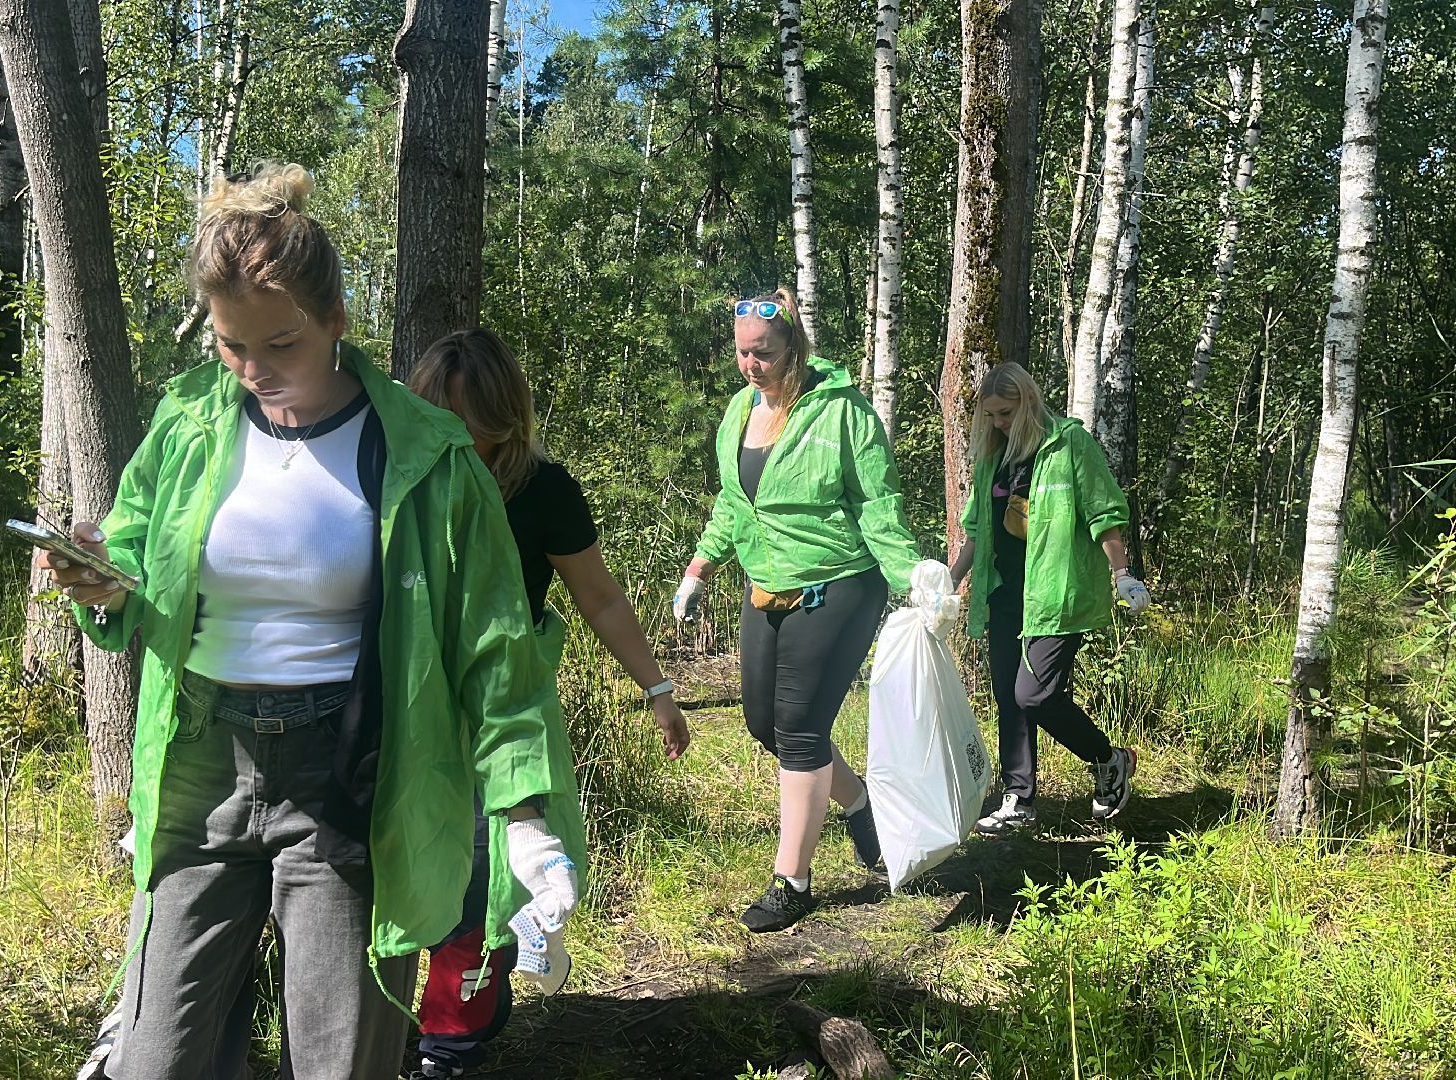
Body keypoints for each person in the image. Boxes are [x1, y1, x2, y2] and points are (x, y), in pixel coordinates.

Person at [33, 162, 582, 1080]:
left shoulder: (427, 453)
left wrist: (524, 815)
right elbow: (131, 562)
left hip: (353, 781)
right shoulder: (187, 424)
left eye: (279, 344)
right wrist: (100, 579)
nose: (253, 371)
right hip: (201, 766)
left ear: (336, 321)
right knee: (154, 1059)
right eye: (229, 346)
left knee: (341, 1059)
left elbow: (492, 646)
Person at [402, 328, 690, 1078]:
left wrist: (658, 691)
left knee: (478, 866)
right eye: (434, 414)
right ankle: (417, 1008)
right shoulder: (398, 477)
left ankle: (449, 1043)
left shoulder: (543, 491)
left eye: (464, 421)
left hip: (498, 712)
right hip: (404, 708)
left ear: (504, 421)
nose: (449, 435)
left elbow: (599, 598)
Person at [672, 288, 937, 934]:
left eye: (761, 353)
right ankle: (861, 804)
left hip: (840, 585)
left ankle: (793, 880)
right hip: (767, 585)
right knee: (765, 725)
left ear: (793, 346)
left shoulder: (843, 414)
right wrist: (698, 570)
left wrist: (914, 574)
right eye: (741, 353)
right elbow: (734, 508)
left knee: (799, 729)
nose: (750, 365)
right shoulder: (738, 413)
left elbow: (878, 505)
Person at [948, 362, 1151, 835]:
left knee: (1033, 694)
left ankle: (1109, 759)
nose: (998, 423)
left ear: (1028, 404)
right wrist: (951, 580)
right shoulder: (993, 459)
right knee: (1007, 696)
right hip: (1003, 592)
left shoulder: (1069, 445)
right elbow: (977, 531)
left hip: (1056, 593)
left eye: (1005, 412)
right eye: (991, 415)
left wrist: (1122, 574)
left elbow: (1104, 511)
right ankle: (1019, 799)